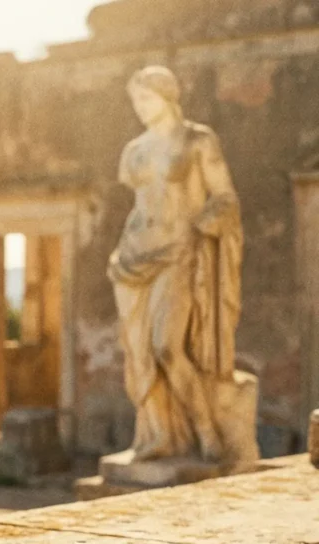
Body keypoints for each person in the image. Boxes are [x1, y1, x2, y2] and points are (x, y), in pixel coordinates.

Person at [109, 65, 243, 462]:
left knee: (166, 346)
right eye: (135, 101)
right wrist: (121, 253)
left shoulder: (197, 140)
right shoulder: (134, 150)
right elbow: (137, 207)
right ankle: (160, 436)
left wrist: (207, 221)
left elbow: (225, 196)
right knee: (138, 353)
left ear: (168, 96)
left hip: (178, 254)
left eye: (147, 99)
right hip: (133, 259)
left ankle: (206, 431)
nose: (140, 108)